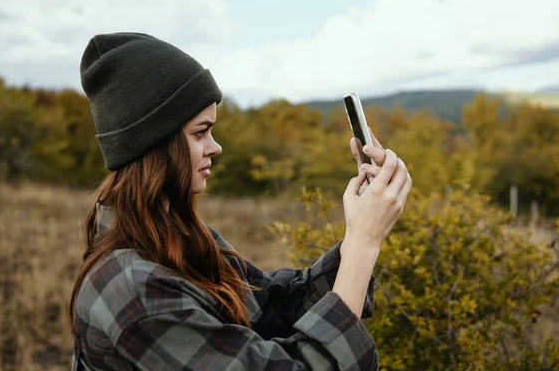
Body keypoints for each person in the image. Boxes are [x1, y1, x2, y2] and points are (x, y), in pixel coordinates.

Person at [70, 32, 412, 371]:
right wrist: (362, 246)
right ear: (155, 145)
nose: (215, 147)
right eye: (200, 132)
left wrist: (361, 234)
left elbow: (274, 306)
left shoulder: (178, 236)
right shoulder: (136, 292)